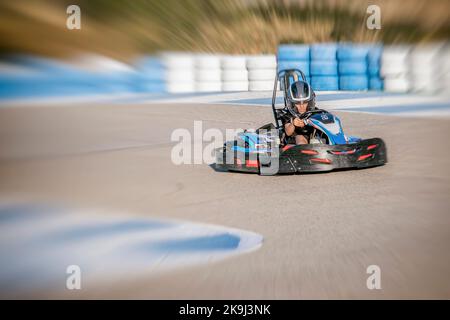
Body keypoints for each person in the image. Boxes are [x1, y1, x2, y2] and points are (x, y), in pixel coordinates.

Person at [282, 80, 316, 145]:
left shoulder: (315, 112)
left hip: (314, 136)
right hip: (295, 139)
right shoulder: (288, 115)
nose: (302, 106)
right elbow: (288, 132)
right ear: (292, 104)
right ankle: (303, 152)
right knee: (300, 138)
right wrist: (293, 124)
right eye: (297, 103)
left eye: (305, 102)